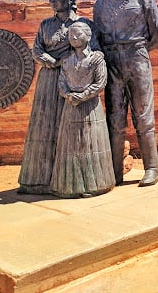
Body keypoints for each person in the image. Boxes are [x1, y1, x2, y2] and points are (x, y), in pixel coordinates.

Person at [93, 0, 158, 187]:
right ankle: (115, 172)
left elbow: (157, 37)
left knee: (143, 116)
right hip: (111, 62)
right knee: (114, 119)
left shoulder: (144, 0)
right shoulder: (100, 4)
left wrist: (137, 52)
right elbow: (98, 38)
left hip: (137, 59)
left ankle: (152, 168)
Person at [18, 0, 95, 194]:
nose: (52, 0)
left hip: (73, 79)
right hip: (48, 81)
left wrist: (70, 63)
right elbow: (37, 50)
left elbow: (94, 51)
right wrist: (52, 62)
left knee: (70, 129)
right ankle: (38, 180)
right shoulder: (45, 25)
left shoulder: (83, 24)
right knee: (44, 126)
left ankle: (71, 182)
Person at [50, 21, 115, 198]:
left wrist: (84, 95)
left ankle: (97, 184)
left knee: (91, 143)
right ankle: (70, 186)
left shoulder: (96, 59)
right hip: (70, 107)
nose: (74, 37)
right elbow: (61, 82)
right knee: (70, 146)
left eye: (78, 34)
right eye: (71, 35)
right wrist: (68, 94)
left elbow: (101, 82)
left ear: (88, 36)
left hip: (90, 107)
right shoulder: (67, 61)